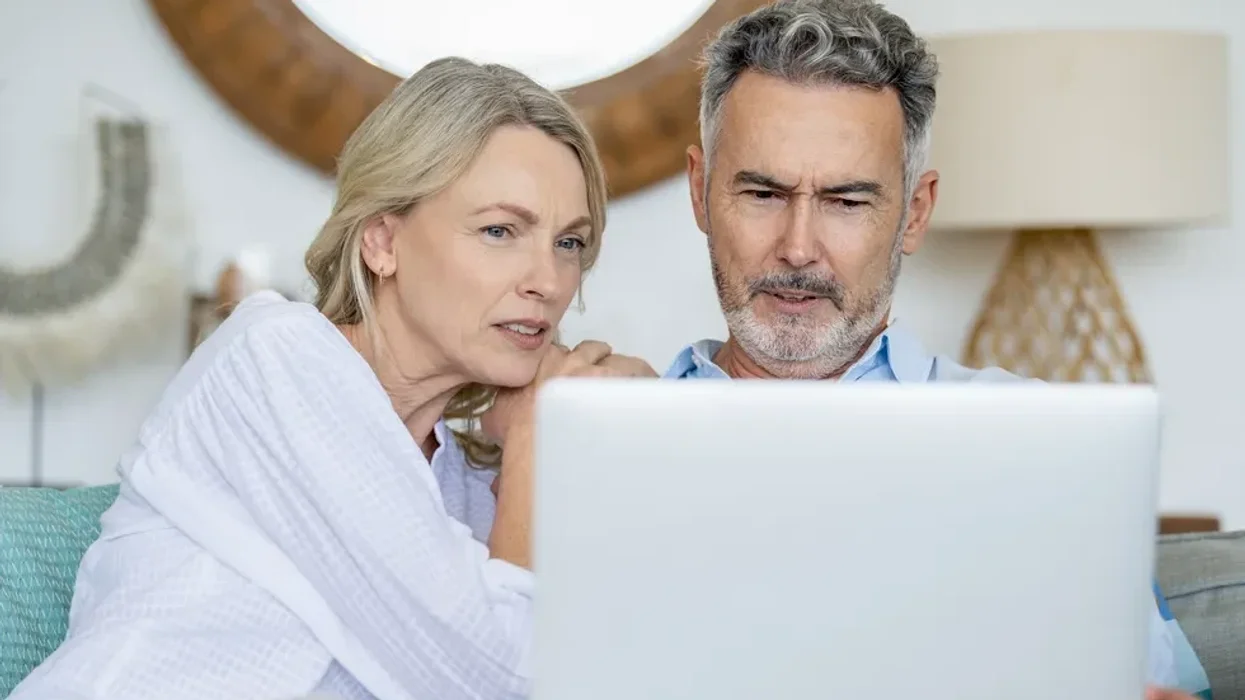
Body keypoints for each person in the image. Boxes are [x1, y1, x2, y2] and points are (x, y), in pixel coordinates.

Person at [9, 57, 651, 700]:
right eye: (499, 230)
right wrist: (541, 429)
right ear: (381, 241)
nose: (546, 279)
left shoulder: (472, 483)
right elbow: (503, 680)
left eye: (570, 243)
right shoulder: (276, 363)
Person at [665, 1, 1213, 698]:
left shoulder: (1041, 442)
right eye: (764, 192)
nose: (798, 248)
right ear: (699, 191)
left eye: (846, 202)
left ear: (915, 212)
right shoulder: (586, 439)